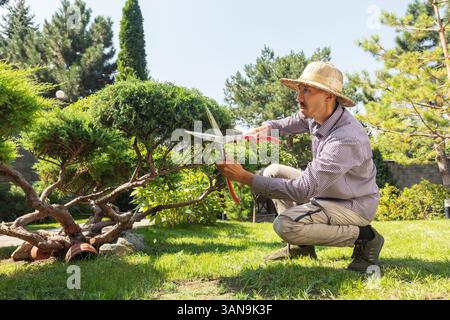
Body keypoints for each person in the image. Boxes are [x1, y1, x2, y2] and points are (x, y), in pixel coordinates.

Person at [217, 61, 384, 273]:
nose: (298, 97)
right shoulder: (319, 116)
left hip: (351, 205)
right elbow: (294, 121)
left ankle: (366, 238)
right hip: (328, 193)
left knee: (285, 225)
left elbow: (302, 189)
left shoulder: (345, 139)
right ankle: (301, 248)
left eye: (306, 90)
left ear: (329, 96)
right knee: (273, 171)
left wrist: (245, 177)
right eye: (299, 89)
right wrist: (270, 127)